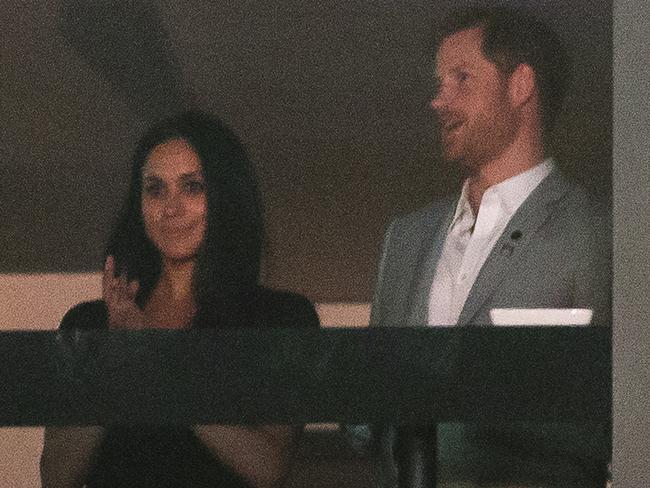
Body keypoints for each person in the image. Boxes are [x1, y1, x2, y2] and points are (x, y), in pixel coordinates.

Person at [348, 5, 611, 488]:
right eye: (438, 83)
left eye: (460, 78)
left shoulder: (596, 233)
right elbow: (369, 410)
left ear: (520, 86)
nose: (437, 101)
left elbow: (612, 418)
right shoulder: (405, 238)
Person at [40, 110, 320, 488]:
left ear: (225, 196)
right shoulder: (91, 323)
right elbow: (56, 475)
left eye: (192, 187)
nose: (170, 208)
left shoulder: (280, 317)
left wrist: (158, 360)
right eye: (155, 189)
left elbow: (267, 466)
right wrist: (111, 359)